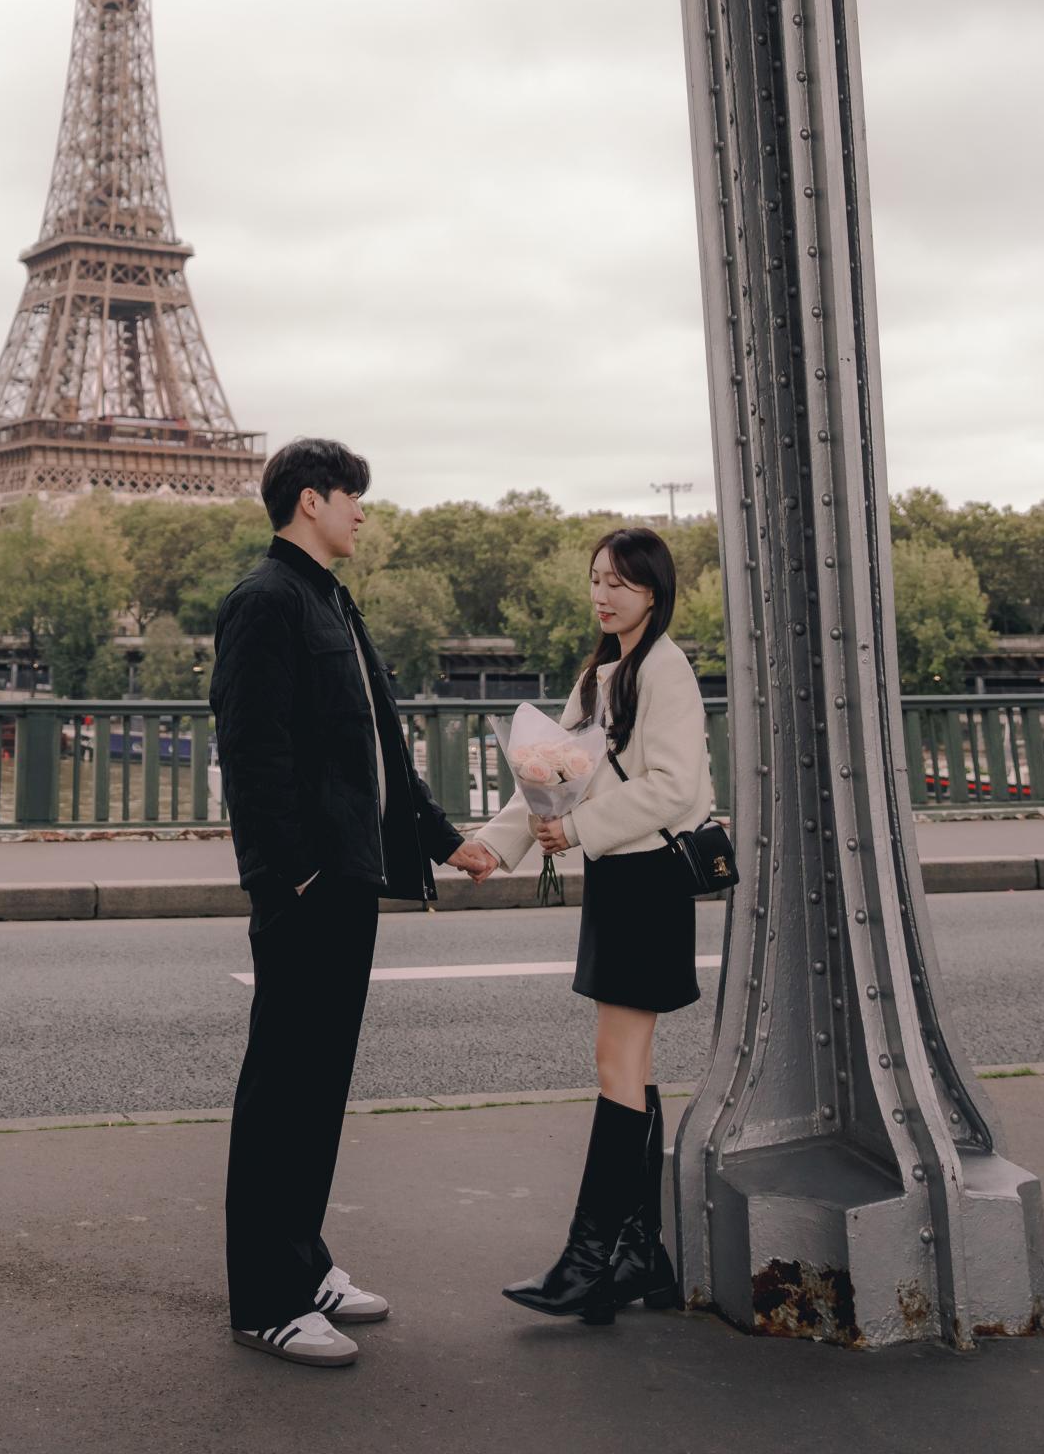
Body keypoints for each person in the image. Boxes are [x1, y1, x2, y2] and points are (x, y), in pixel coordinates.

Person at [210, 437, 500, 1367]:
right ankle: (266, 1299)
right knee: (283, 1091)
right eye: (351, 497)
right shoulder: (264, 601)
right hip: (311, 887)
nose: (362, 513)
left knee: (318, 1087)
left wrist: (443, 838)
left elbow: (377, 750)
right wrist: (291, 875)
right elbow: (251, 753)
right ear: (310, 500)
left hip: (348, 878)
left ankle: (302, 1265)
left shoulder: (329, 598)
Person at [470, 525, 712, 1326]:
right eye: (597, 579)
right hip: (620, 876)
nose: (603, 595)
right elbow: (550, 775)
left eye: (621, 583)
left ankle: (588, 1262)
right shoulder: (604, 673)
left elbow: (675, 787)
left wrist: (572, 830)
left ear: (654, 593)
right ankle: (640, 1257)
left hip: (648, 879)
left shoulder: (664, 670)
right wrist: (492, 847)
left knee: (617, 1064)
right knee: (629, 1069)